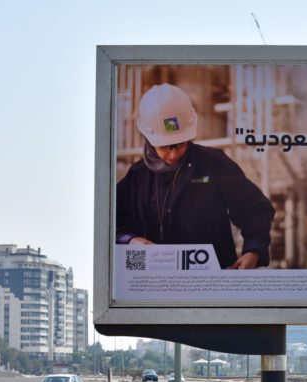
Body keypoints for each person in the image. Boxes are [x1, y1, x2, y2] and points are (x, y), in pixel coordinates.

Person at [116, 83, 275, 269]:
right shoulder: (136, 179)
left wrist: (253, 251)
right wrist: (131, 240)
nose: (174, 154)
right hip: (153, 286)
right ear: (149, 140)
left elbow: (256, 209)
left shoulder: (214, 164)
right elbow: (110, 224)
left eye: (181, 144)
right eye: (165, 147)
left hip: (212, 285)